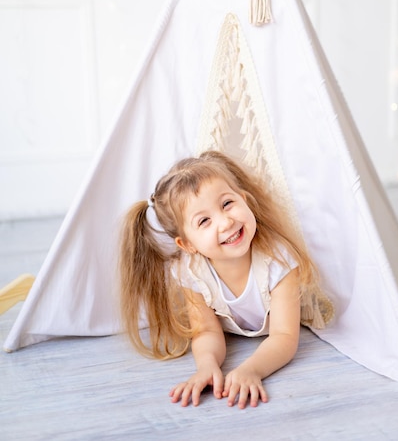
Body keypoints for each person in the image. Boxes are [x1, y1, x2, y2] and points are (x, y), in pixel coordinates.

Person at [119, 150, 332, 409]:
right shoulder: (191, 272)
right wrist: (207, 366)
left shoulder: (278, 260)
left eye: (227, 204)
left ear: (244, 200)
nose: (225, 222)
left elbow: (284, 335)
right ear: (187, 244)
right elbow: (207, 330)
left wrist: (251, 370)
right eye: (204, 221)